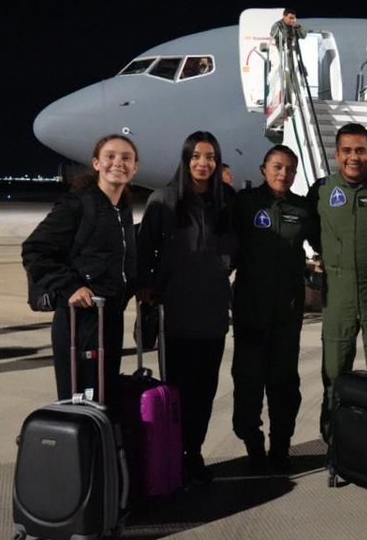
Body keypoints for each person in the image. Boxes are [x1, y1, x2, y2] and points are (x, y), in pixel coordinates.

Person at [136, 131, 238, 485]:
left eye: (210, 156)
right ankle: (171, 453)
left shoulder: (226, 202)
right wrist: (147, 291)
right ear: (185, 159)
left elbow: (236, 249)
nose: (203, 163)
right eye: (196, 156)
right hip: (176, 311)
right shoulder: (163, 201)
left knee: (205, 389)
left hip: (212, 311)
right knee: (177, 388)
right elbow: (143, 251)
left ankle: (193, 453)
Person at [22, 134, 139, 401]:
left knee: (103, 397)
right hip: (81, 319)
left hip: (109, 317)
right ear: (96, 163)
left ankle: (99, 444)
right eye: (110, 157)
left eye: (126, 158)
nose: (118, 163)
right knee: (80, 398)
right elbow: (34, 250)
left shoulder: (122, 208)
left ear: (135, 167)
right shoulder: (77, 204)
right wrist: (70, 286)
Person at [306, 123, 367, 443]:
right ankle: (335, 438)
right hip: (338, 289)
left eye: (360, 150)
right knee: (335, 367)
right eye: (346, 151)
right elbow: (310, 229)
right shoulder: (321, 190)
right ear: (337, 155)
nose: (353, 157)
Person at [231, 145, 318, 473]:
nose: (284, 174)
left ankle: (281, 444)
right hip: (250, 308)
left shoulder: (302, 208)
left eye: (290, 169)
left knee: (284, 381)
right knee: (248, 378)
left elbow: (323, 241)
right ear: (263, 169)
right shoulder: (245, 204)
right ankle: (251, 439)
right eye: (277, 167)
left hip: (287, 310)